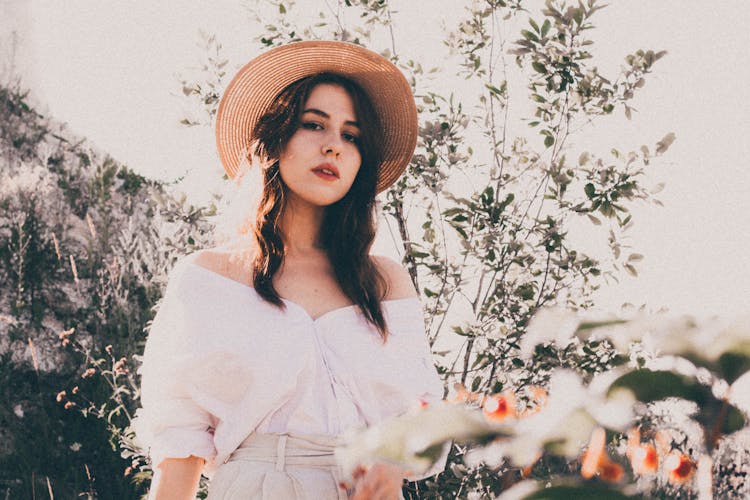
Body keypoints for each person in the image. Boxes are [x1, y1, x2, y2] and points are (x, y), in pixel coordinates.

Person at [133, 40, 445, 499]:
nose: (333, 146)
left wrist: (394, 462)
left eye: (351, 135)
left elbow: (422, 414)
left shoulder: (384, 282)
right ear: (275, 139)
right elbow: (180, 442)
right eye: (314, 125)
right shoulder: (208, 278)